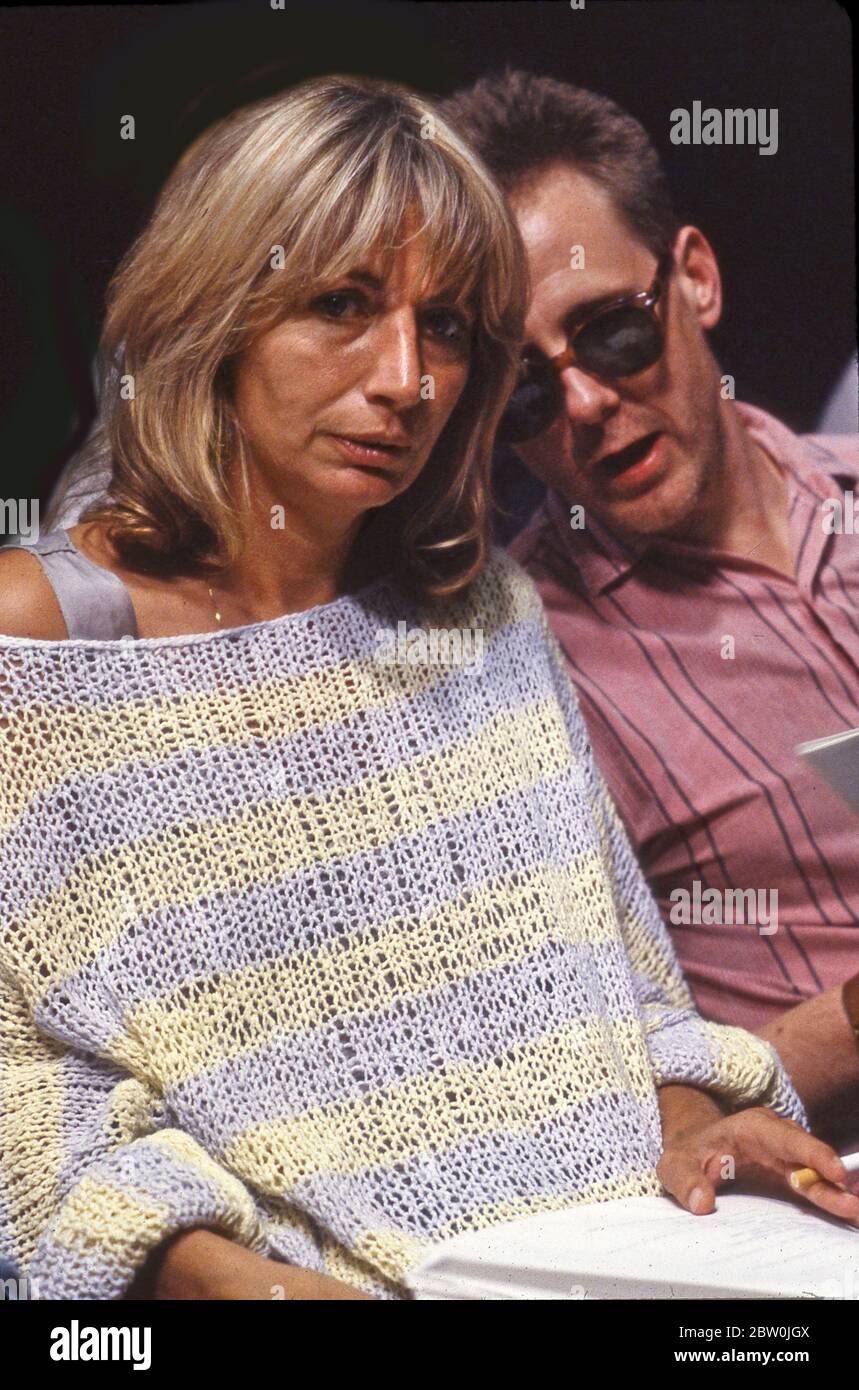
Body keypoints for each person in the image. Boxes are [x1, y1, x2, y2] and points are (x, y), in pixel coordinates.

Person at [0, 74, 855, 1305]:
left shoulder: (485, 614)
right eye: (343, 304)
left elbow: (626, 991)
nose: (406, 377)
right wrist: (238, 1285)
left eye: (447, 327)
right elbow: (31, 1112)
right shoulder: (42, 642)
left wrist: (688, 1121)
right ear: (216, 310)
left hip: (624, 1264)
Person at [440, 70, 859, 1144]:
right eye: (523, 389)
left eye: (612, 333)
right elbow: (590, 1093)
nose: (581, 401)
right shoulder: (520, 671)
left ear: (696, 278)